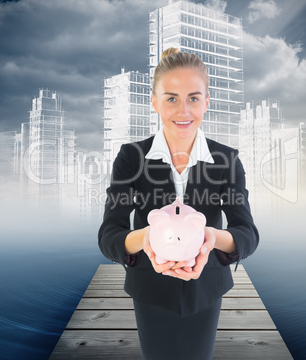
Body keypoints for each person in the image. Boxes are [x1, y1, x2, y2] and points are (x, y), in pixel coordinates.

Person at [98, 47, 259, 360]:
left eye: (194, 98)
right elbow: (109, 235)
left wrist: (211, 238)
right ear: (154, 102)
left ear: (207, 101)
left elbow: (247, 232)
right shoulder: (131, 157)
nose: (183, 111)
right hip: (149, 288)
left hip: (207, 287)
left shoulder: (226, 160)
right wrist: (145, 239)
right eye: (171, 98)